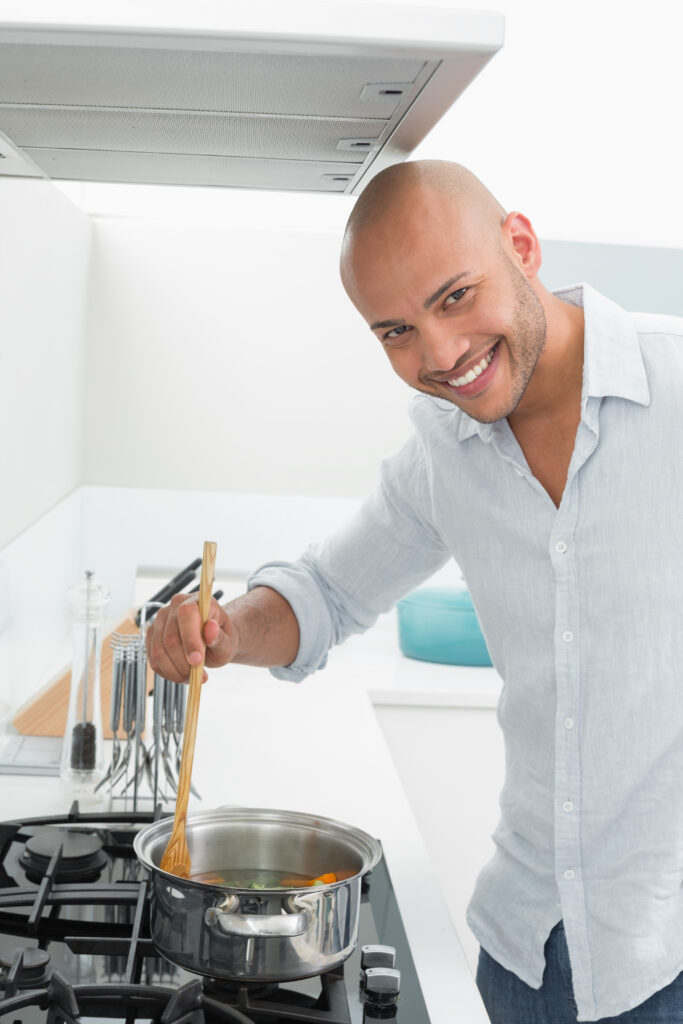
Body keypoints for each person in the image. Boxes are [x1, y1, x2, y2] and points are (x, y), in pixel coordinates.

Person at [146, 160, 683, 1023]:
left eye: (454, 297)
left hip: (669, 954)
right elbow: (323, 591)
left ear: (521, 245)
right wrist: (225, 632)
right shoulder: (446, 451)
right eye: (395, 331)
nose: (439, 356)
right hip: (527, 956)